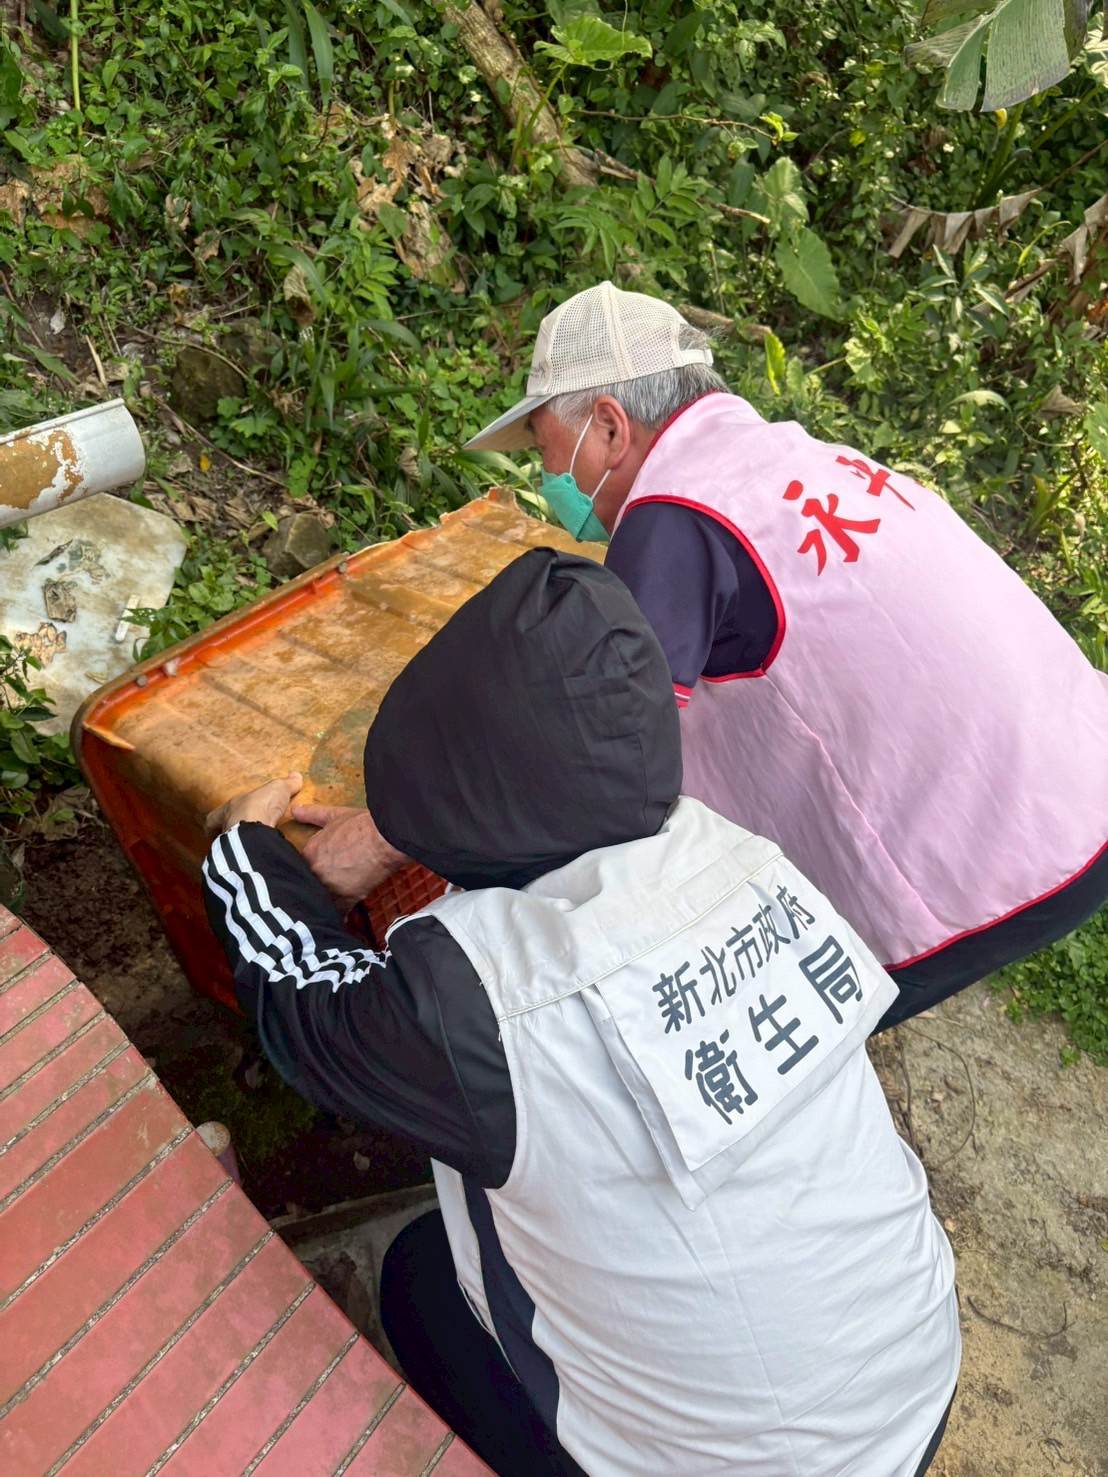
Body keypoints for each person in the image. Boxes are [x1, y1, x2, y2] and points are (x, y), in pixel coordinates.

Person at [203, 550, 959, 1476]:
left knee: (423, 1281)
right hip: (911, 1378)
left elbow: (302, 995)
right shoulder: (741, 854)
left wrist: (243, 849)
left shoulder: (468, 1003)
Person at [459, 281, 1108, 1029]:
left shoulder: (675, 515)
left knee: (761, 1034)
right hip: (1074, 781)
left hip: (988, 860)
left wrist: (412, 833)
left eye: (547, 454)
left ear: (608, 428)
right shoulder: (793, 457)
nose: (550, 485)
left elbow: (605, 757)